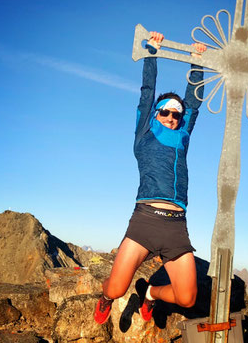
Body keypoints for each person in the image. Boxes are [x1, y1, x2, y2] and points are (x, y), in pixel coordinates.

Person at [93, 32, 206, 324]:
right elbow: (147, 91)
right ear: (156, 114)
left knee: (188, 299)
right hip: (145, 220)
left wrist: (197, 63)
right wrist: (152, 52)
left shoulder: (183, 136)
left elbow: (193, 103)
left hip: (176, 226)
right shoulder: (144, 133)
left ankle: (151, 293)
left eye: (176, 115)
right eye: (165, 112)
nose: (172, 117)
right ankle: (105, 298)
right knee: (116, 289)